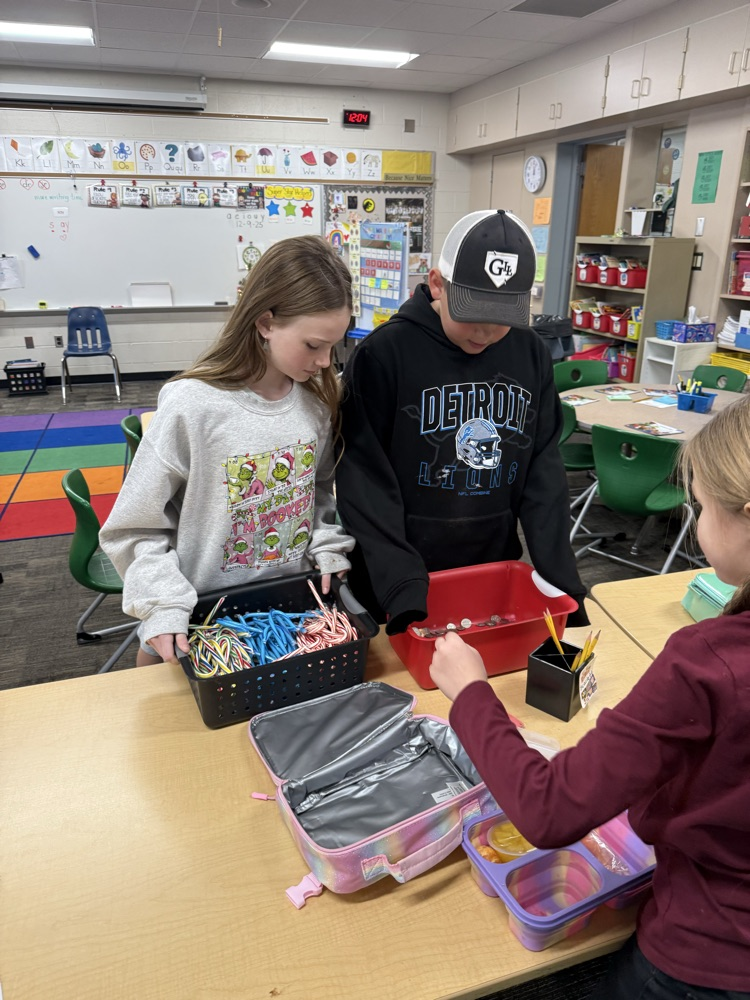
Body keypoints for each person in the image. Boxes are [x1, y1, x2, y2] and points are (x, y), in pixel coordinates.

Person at [430, 394, 750, 998]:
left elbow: (549, 810)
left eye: (701, 506)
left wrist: (471, 692)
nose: (696, 520)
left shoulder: (708, 662)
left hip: (706, 953)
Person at [100, 235, 355, 666]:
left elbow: (323, 496)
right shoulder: (192, 406)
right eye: (314, 345)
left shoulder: (313, 408)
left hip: (286, 619)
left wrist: (328, 545)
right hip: (197, 622)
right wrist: (162, 604)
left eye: (335, 345)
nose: (327, 362)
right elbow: (132, 529)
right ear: (265, 323)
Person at [336, 209, 588, 635]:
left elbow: (543, 472)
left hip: (493, 570)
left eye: (503, 319)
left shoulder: (530, 354)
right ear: (438, 283)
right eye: (474, 314)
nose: (488, 332)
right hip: (395, 581)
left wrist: (562, 584)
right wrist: (401, 584)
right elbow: (364, 480)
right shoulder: (384, 354)